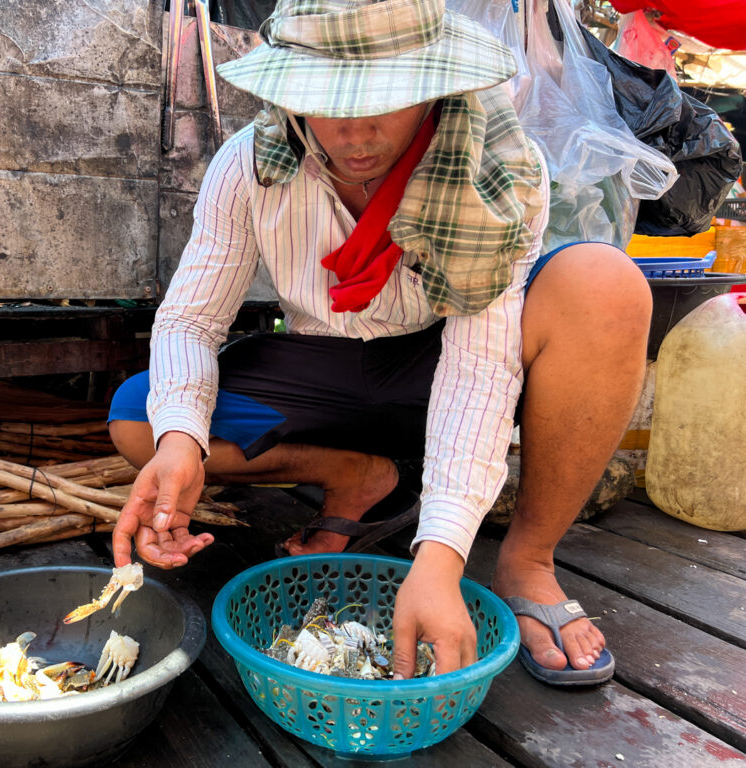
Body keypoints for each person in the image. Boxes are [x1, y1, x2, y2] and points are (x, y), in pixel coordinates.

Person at [108, 0, 650, 685]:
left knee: (605, 284)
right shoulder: (248, 165)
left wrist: (442, 557)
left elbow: (479, 367)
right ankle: (359, 475)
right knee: (142, 420)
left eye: (387, 101)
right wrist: (182, 444)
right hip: (324, 363)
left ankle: (528, 558)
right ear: (291, 91)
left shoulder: (501, 172)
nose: (356, 133)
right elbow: (190, 321)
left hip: (436, 359)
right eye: (327, 102)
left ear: (433, 86)